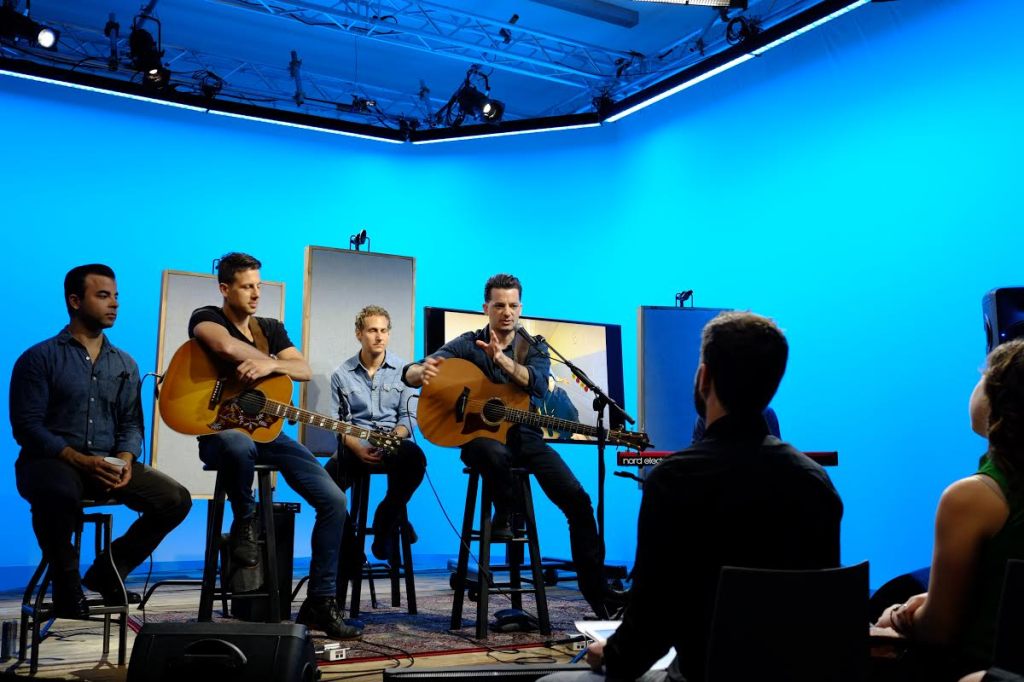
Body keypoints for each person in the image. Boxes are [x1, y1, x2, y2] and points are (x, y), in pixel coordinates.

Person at [542, 311, 843, 682]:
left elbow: (646, 635)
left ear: (704, 378)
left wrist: (609, 653)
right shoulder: (815, 484)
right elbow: (821, 613)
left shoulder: (673, 482)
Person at [403, 273, 622, 618]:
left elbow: (538, 385)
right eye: (499, 305)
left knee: (578, 501)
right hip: (478, 440)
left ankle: (599, 596)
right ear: (486, 308)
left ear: (520, 308)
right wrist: (418, 373)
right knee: (490, 450)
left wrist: (502, 359)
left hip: (524, 434)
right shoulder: (468, 343)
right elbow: (415, 370)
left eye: (513, 305)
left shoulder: (533, 347)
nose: (507, 312)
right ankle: (507, 510)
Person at [189, 252, 360, 640]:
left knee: (334, 501)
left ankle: (320, 602)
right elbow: (224, 346)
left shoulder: (270, 328)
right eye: (246, 286)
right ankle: (245, 520)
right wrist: (270, 360)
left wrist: (271, 365)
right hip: (220, 433)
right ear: (225, 288)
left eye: (258, 286)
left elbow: (302, 369)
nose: (255, 293)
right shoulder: (207, 316)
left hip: (268, 435)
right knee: (238, 444)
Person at [11, 264, 192, 618]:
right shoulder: (39, 359)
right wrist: (79, 460)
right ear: (75, 301)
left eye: (116, 296)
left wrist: (125, 459)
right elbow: (27, 427)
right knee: (58, 493)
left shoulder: (124, 363)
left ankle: (109, 569)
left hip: (106, 463)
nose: (114, 304)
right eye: (103, 295)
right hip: (51, 462)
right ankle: (66, 584)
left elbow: (131, 424)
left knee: (175, 499)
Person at [875, 339, 1024, 681]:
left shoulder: (972, 498)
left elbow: (940, 631)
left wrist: (899, 616)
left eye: (985, 376)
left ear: (1001, 399)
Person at [326, 305, 425, 562]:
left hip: (393, 442)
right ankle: (351, 550)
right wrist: (357, 448)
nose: (379, 336)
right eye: (372, 330)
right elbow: (338, 423)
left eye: (383, 330)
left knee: (416, 459)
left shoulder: (405, 371)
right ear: (359, 334)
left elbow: (408, 417)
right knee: (325, 485)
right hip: (355, 445)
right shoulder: (341, 375)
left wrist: (394, 437)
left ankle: (385, 522)